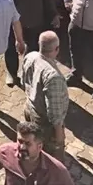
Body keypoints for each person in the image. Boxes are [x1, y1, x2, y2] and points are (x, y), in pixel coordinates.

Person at [20, 31, 69, 162]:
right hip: (44, 121)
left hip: (30, 107)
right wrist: (59, 135)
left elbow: (23, 81)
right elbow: (54, 111)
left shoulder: (30, 56)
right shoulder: (53, 76)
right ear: (57, 49)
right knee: (51, 152)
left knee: (34, 141)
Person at [0, 122, 72, 185]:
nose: (22, 147)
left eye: (28, 144)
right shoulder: (6, 151)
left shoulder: (57, 170)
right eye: (20, 141)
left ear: (39, 147)